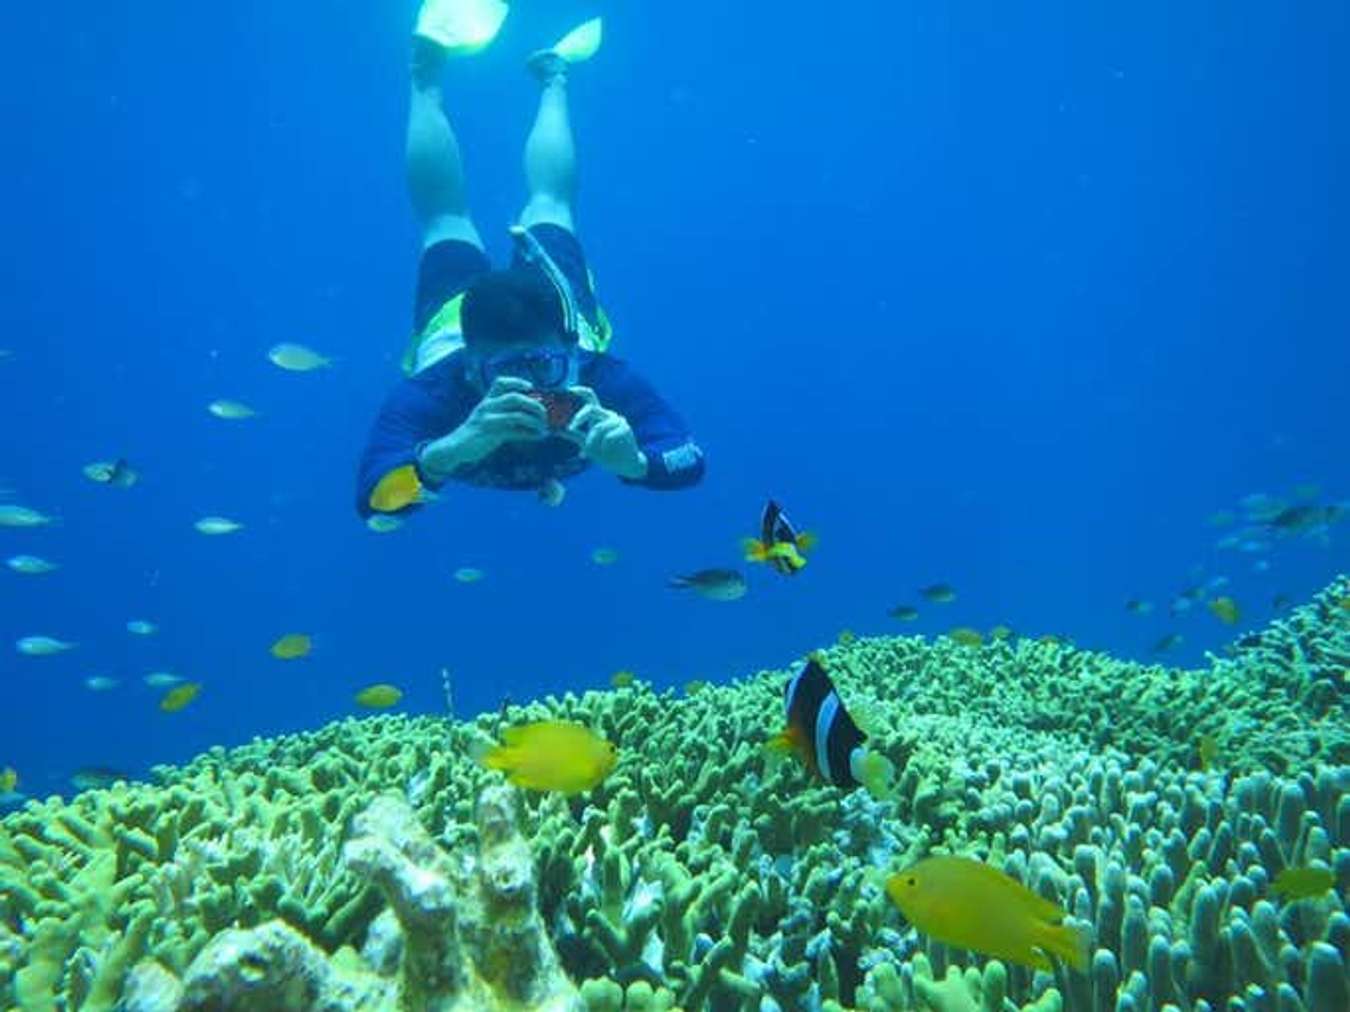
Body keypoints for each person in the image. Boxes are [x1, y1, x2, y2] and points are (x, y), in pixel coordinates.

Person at [355, 3, 705, 522]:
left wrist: (634, 460)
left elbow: (688, 459)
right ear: (469, 368)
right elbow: (373, 501)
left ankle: (550, 76)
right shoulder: (439, 392)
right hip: (463, 327)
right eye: (503, 372)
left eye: (543, 366)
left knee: (478, 217)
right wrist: (446, 452)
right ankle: (427, 78)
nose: (532, 390)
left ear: (571, 350)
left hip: (497, 312)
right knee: (506, 212)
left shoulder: (601, 381)